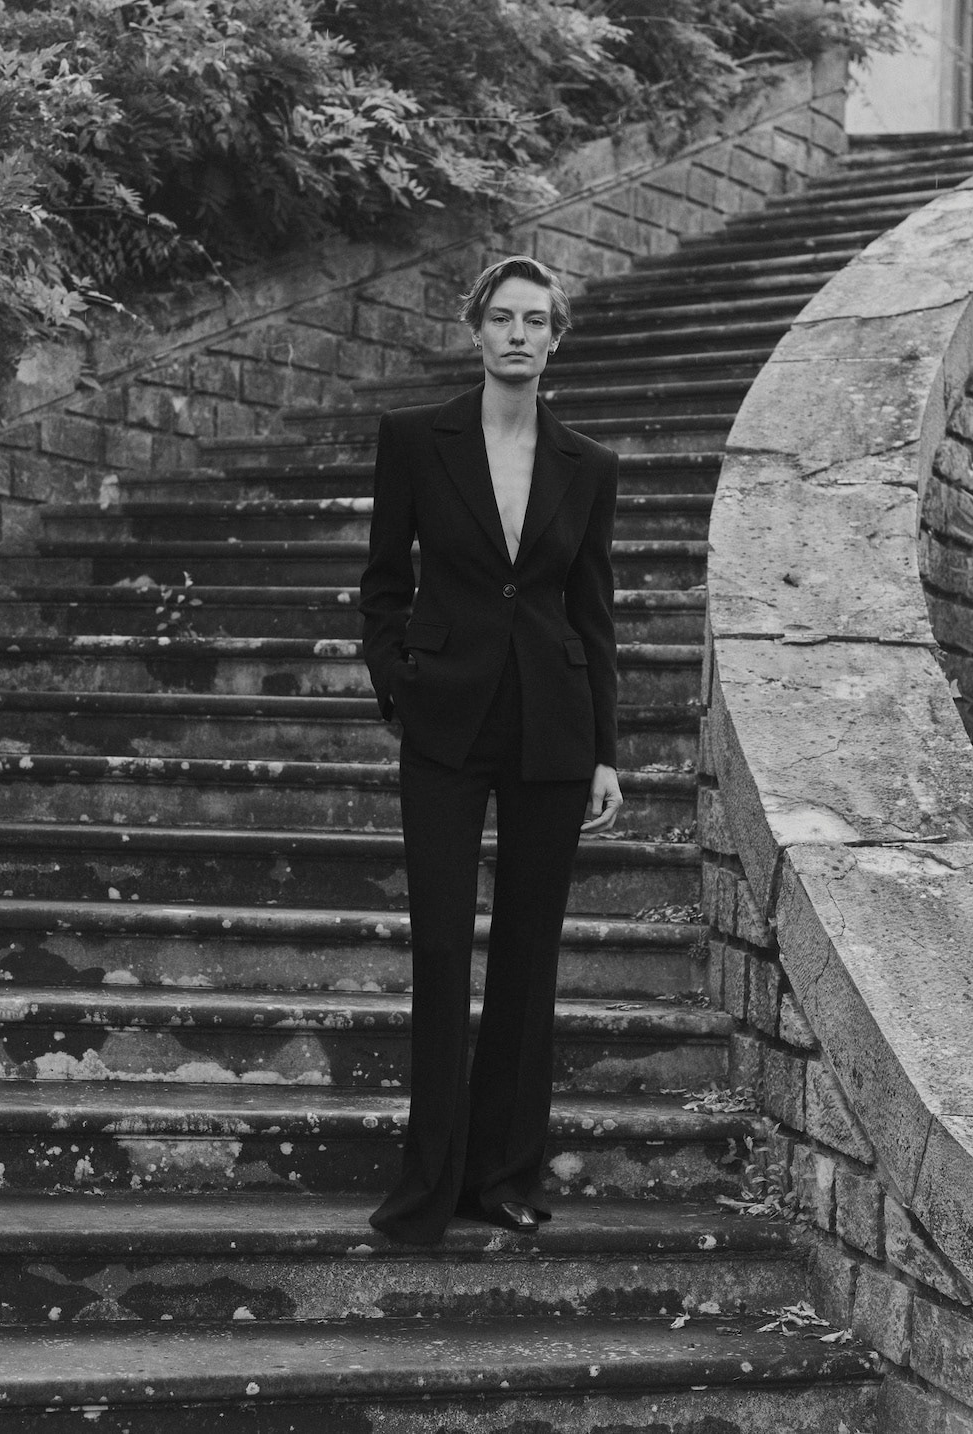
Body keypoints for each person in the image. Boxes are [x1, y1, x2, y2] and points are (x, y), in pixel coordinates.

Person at [359, 253, 623, 1246]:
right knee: (439, 946)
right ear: (476, 330)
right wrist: (400, 681)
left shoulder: (588, 465)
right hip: (445, 721)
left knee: (526, 953)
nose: (518, 334)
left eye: (535, 320)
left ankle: (502, 1176)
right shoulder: (413, 440)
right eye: (502, 318)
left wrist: (605, 749)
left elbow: (593, 613)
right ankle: (427, 1185)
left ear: (556, 338)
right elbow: (382, 585)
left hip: (551, 724)